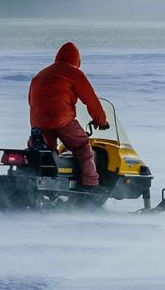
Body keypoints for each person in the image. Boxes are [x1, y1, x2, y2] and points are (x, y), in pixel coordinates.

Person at [28, 41, 109, 188]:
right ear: (77, 59)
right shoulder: (74, 73)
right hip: (62, 119)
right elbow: (91, 100)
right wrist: (101, 121)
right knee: (83, 147)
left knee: (43, 152)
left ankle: (37, 182)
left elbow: (31, 100)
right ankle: (91, 186)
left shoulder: (41, 73)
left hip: (38, 121)